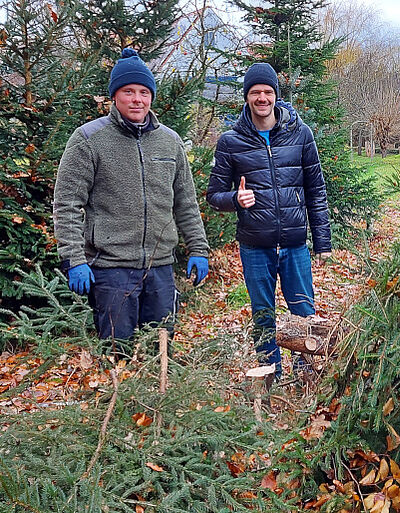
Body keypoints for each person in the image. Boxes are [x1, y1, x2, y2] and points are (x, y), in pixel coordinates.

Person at [53, 48, 210, 353]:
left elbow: (186, 203)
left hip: (161, 266)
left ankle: (159, 396)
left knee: (160, 350)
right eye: (128, 91)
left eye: (143, 92)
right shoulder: (88, 139)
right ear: (115, 96)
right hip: (112, 269)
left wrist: (199, 249)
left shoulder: (170, 141)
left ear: (151, 96)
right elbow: (68, 203)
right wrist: (73, 259)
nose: (137, 99)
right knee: (116, 352)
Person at [206, 62, 331, 378]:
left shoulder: (300, 134)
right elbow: (213, 194)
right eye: (255, 92)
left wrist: (322, 242)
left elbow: (316, 189)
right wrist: (235, 199)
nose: (262, 98)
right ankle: (269, 379)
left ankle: (307, 375)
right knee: (263, 315)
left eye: (267, 91)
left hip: (294, 246)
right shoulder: (231, 141)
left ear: (276, 94)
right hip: (255, 246)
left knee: (304, 314)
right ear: (247, 96)